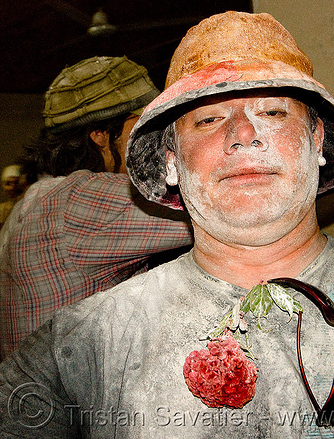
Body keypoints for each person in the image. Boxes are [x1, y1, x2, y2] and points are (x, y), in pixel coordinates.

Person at [2, 11, 334, 438]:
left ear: (317, 142)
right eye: (207, 120)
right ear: (169, 161)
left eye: (273, 111)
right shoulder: (72, 351)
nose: (243, 134)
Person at [0, 56, 194, 359]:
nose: (158, 136)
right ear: (100, 136)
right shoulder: (84, 199)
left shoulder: (39, 196)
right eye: (143, 122)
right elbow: (219, 214)